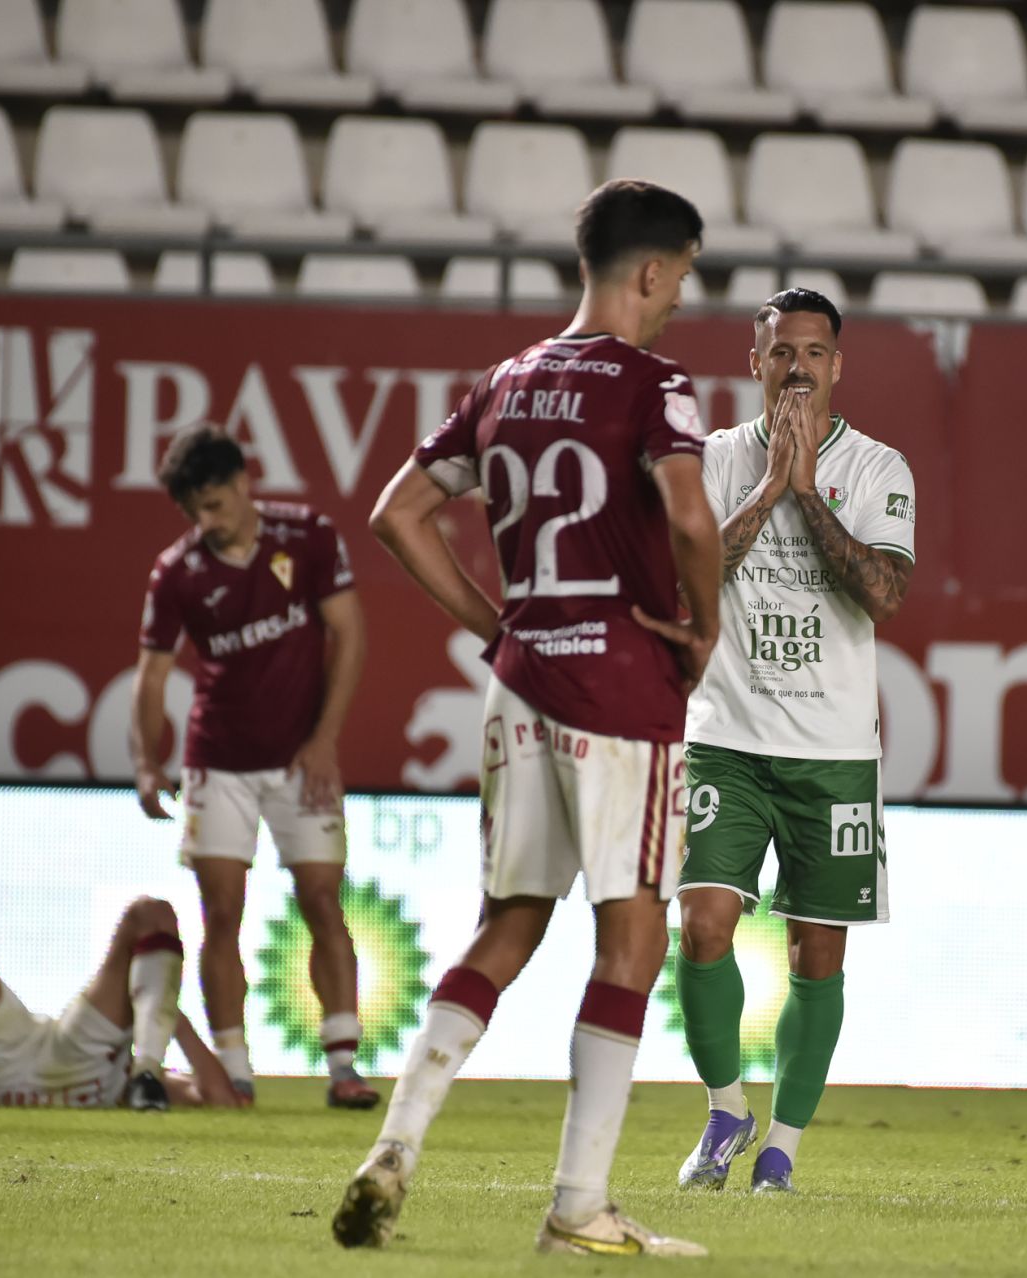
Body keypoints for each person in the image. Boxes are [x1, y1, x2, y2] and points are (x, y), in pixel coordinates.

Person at [334, 179, 721, 1259]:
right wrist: (703, 626)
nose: (682, 297)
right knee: (633, 930)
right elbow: (689, 514)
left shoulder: (504, 382)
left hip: (521, 682)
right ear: (651, 271)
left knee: (507, 923)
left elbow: (398, 514)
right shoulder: (656, 381)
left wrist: (493, 621)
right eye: (683, 276)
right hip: (621, 681)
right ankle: (577, 1207)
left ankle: (394, 1146)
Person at [672, 289, 916, 1195]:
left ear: (837, 366)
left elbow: (884, 595)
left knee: (819, 955)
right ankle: (726, 1109)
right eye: (783, 353)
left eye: (815, 353)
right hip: (725, 738)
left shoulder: (882, 467)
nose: (799, 368)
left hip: (834, 753)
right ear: (755, 362)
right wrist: (772, 484)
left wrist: (808, 493)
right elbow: (686, 576)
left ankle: (781, 1150)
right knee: (701, 928)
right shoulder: (710, 459)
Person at [129, 425, 377, 1109]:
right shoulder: (177, 572)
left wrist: (325, 739)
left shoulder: (308, 537)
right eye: (194, 512)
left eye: (213, 504)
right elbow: (150, 680)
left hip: (304, 758)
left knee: (324, 900)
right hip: (219, 763)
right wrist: (148, 766)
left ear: (243, 483)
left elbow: (350, 634)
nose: (205, 522)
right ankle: (236, 1075)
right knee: (223, 913)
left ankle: (344, 1066)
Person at [0, 889, 240, 1109]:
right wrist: (163, 1009)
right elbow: (220, 1097)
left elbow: (219, 1097)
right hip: (78, 1066)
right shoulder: (130, 1077)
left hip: (2, 1071)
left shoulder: (131, 1078)